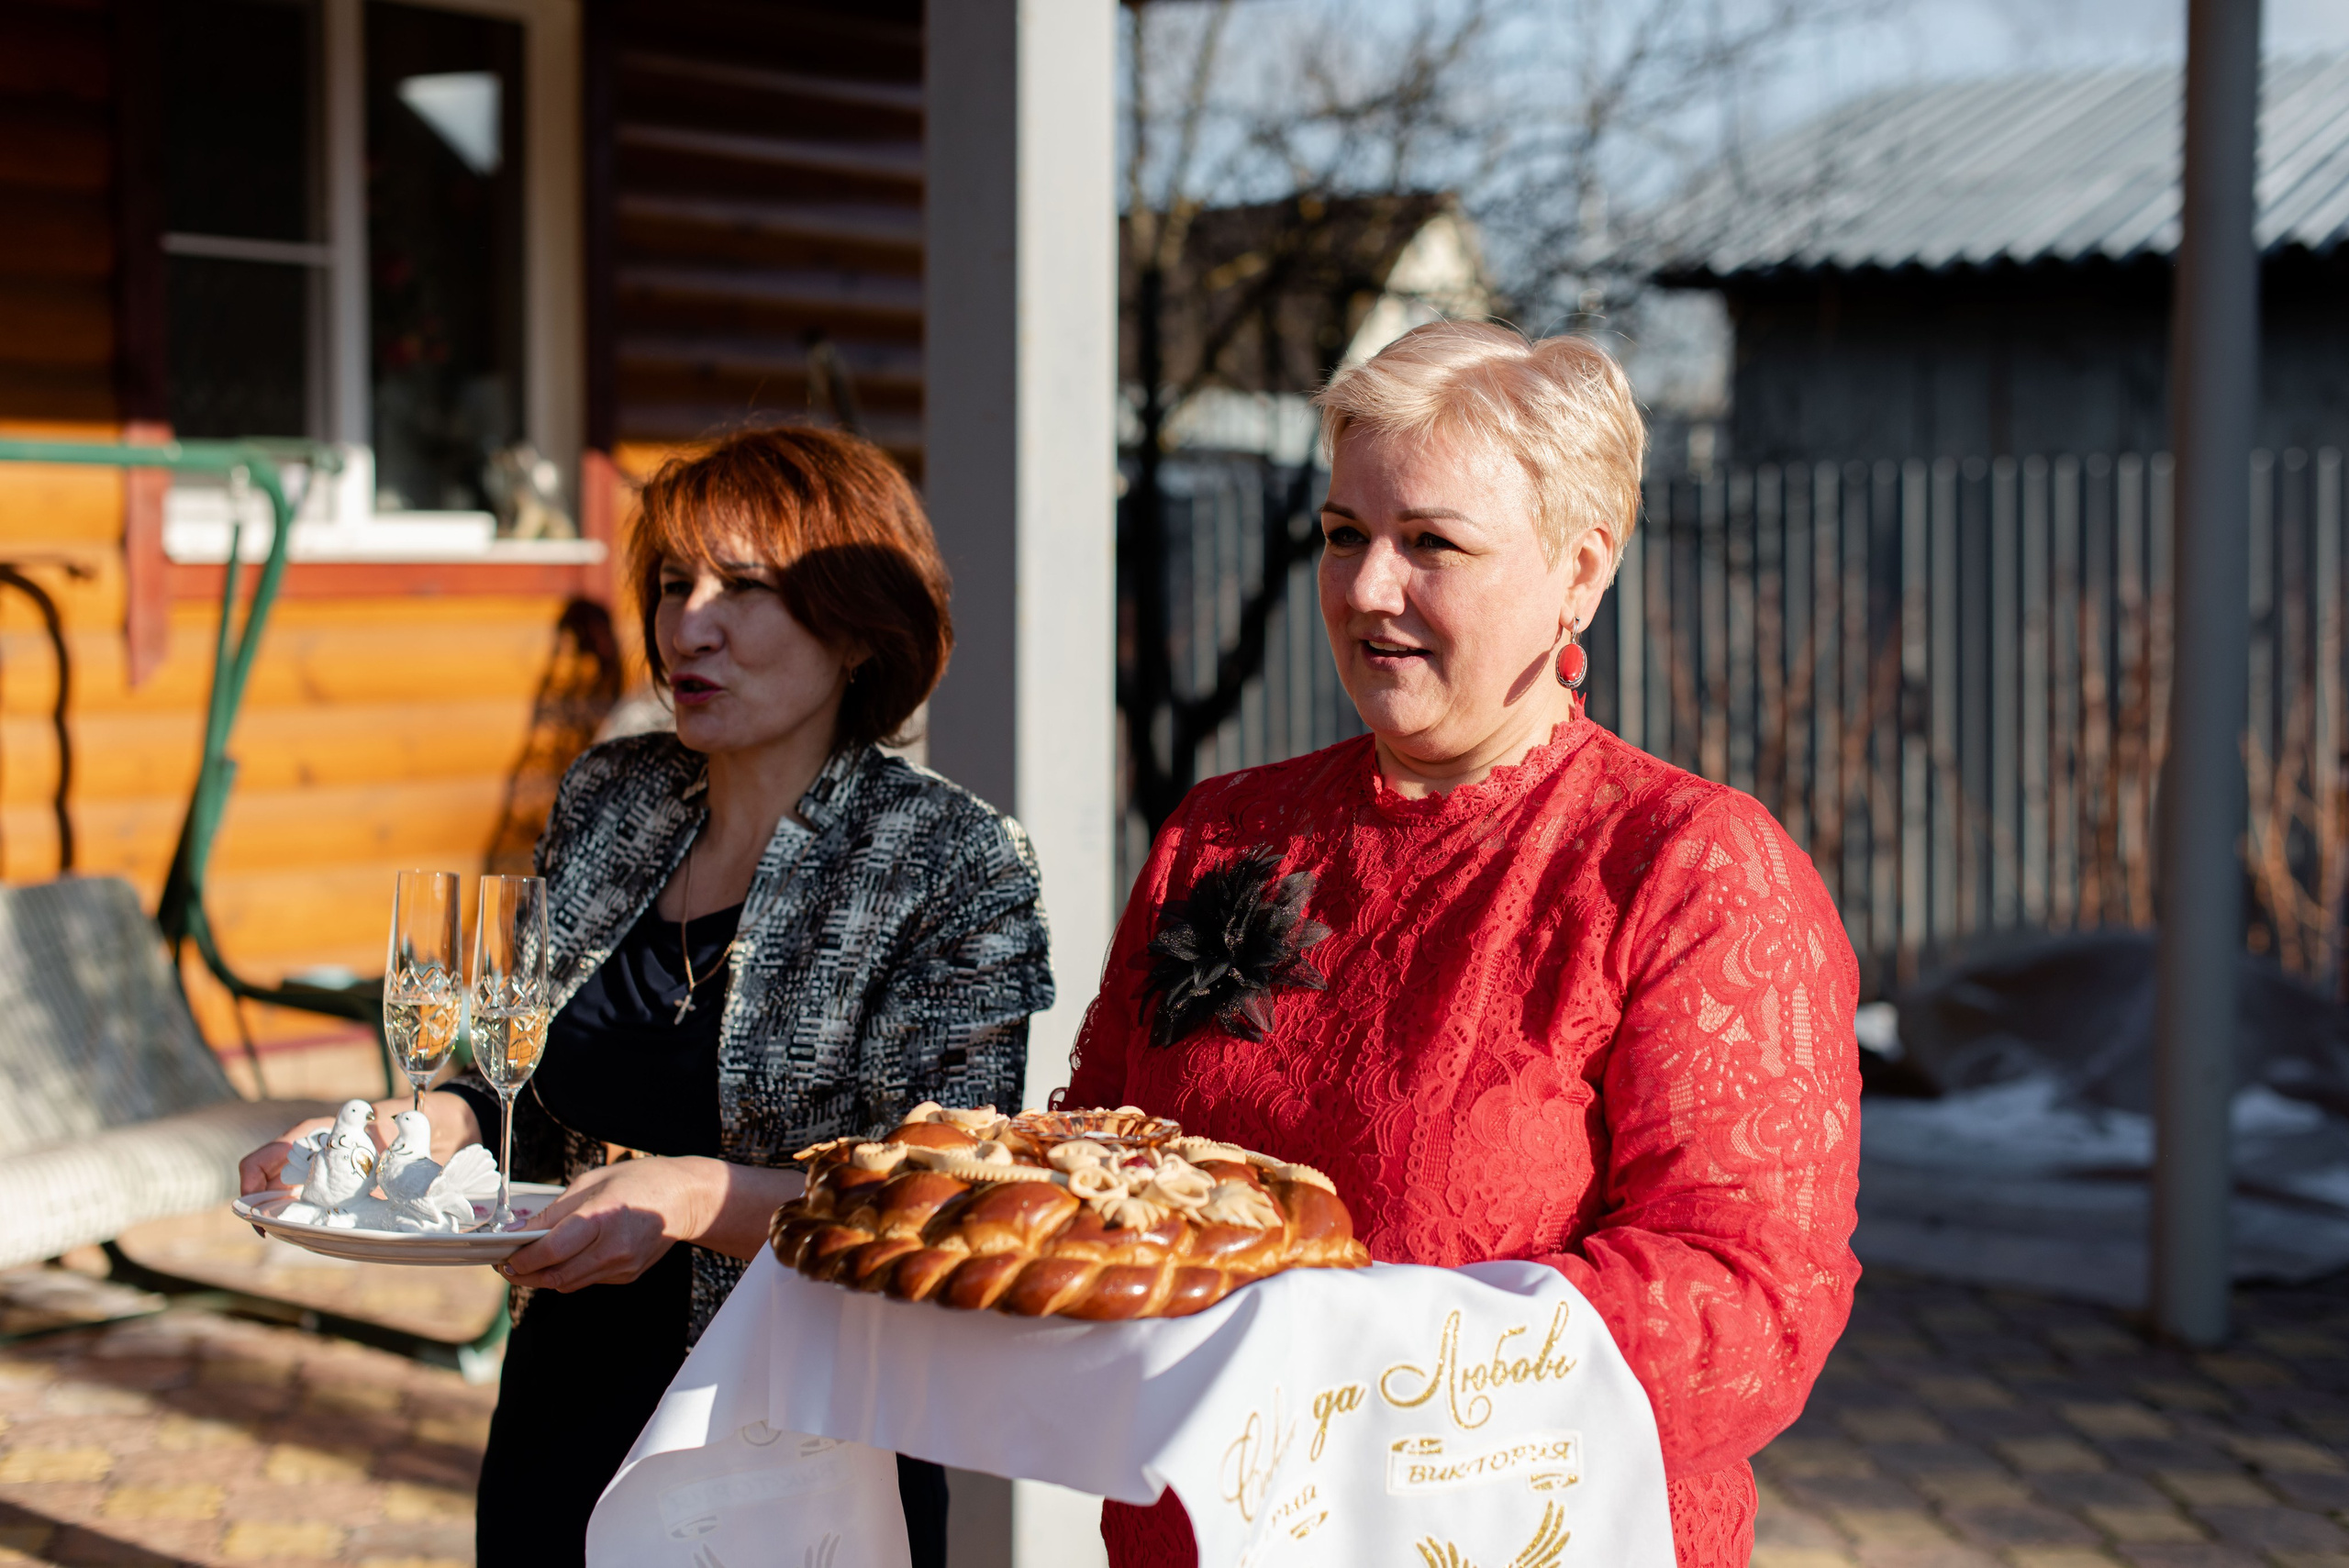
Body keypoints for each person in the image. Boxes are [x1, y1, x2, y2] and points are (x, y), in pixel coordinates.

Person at [1063, 321, 1860, 1568]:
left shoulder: (1683, 867)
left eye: (1431, 542)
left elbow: (1751, 1304)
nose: (1367, 588)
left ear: (1578, 572)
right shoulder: (1224, 836)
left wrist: (1346, 1353)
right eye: (1342, 535)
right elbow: (1091, 1161)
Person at [240, 427, 1054, 1567]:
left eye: (745, 587)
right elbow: (516, 1075)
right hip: (564, 1407)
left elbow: (951, 1201)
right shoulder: (615, 797)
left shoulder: (951, 861)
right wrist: (399, 1133)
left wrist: (693, 1195)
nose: (687, 624)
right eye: (673, 583)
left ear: (859, 628)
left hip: (796, 1441)